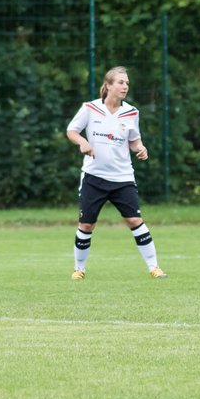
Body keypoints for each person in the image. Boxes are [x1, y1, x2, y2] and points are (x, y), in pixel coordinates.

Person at [65, 66, 166, 280]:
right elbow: (71, 131)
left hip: (122, 178)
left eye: (127, 83)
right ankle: (79, 270)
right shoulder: (90, 108)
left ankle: (154, 267)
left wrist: (140, 148)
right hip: (94, 177)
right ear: (108, 85)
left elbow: (134, 140)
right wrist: (83, 142)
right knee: (86, 224)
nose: (125, 86)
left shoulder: (131, 112)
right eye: (120, 82)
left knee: (135, 221)